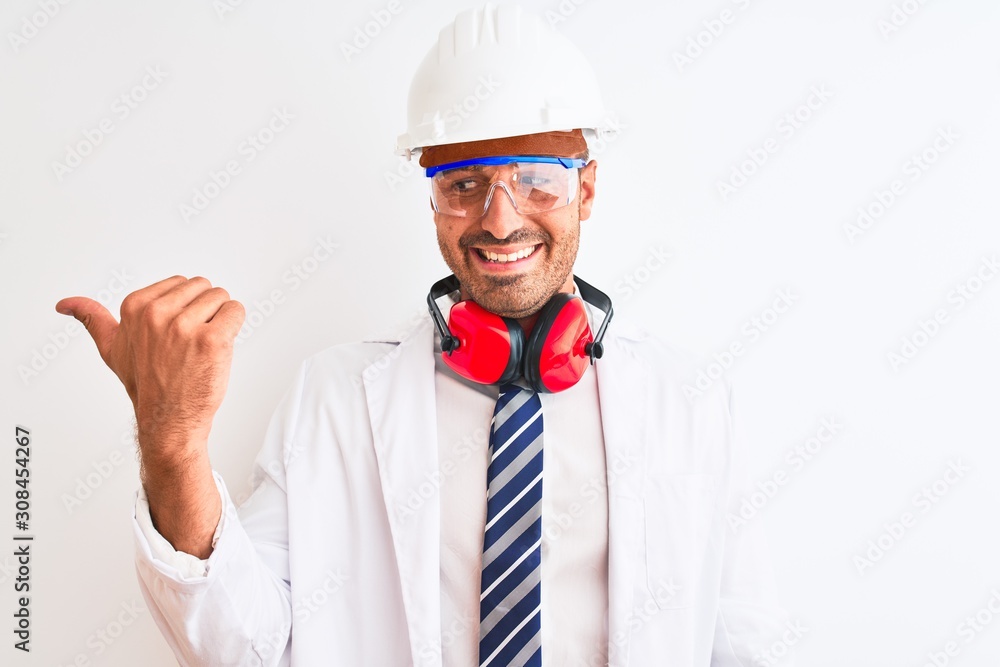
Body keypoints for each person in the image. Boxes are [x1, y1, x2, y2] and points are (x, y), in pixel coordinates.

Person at [56, 4, 791, 665]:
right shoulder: (335, 397)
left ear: (587, 190)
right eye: (463, 183)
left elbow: (745, 643)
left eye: (538, 178)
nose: (501, 220)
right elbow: (239, 646)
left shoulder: (688, 399)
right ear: (432, 197)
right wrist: (172, 441)